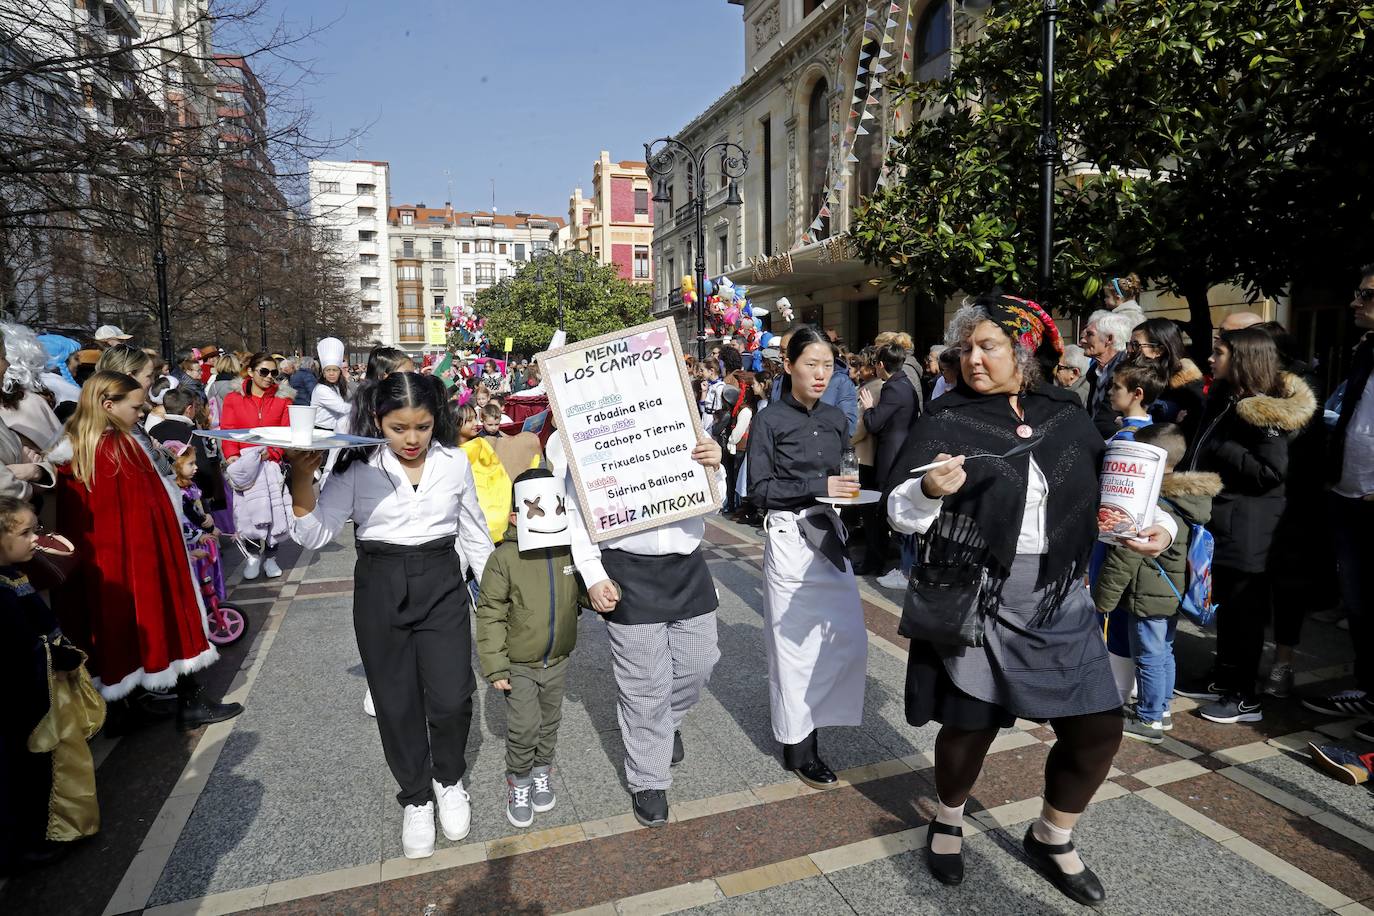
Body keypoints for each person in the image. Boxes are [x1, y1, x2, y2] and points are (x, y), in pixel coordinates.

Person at [886, 294, 1174, 905]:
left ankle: (1051, 835)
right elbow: (899, 512)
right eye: (966, 348)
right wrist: (929, 492)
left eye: (988, 346)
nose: (973, 359)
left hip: (1058, 596)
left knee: (1098, 726)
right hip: (977, 593)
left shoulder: (1064, 414)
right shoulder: (946, 419)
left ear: (1023, 352)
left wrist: (1157, 526)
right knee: (970, 727)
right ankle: (948, 817)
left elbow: (1114, 483)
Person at [286, 373, 493, 859]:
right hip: (380, 584)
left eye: (422, 426)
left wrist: (497, 600)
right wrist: (300, 476)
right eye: (399, 427)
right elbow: (314, 536)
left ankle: (448, 779)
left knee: (452, 695)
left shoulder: (453, 462)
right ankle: (416, 796)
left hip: (442, 580)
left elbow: (476, 534)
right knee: (395, 700)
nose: (412, 438)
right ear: (377, 421)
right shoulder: (356, 465)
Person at [551, 423, 724, 829]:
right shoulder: (582, 431)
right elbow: (574, 509)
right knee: (644, 683)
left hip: (686, 564)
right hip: (627, 567)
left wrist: (715, 469)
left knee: (700, 662)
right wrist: (592, 574)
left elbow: (713, 503)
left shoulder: (679, 412)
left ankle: (666, 725)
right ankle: (648, 778)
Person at [50, 372, 241, 730]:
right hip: (140, 558)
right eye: (136, 407)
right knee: (160, 616)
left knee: (115, 627)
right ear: (109, 405)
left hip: (107, 563)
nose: (142, 414)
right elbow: (142, 514)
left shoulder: (82, 447)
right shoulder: (115, 449)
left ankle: (124, 707)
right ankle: (188, 701)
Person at [1176, 327, 1315, 724]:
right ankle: (1224, 677)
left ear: (1243, 360)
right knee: (1229, 609)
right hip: (1224, 520)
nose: (1210, 358)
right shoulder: (1224, 397)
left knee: (1244, 611)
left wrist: (1224, 447)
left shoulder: (1259, 408)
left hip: (1250, 526)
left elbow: (1271, 471)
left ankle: (1244, 697)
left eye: (1218, 352)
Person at [747, 326, 867, 789]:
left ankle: (819, 716)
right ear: (790, 365)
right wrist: (817, 488)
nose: (820, 374)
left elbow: (846, 477)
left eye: (828, 366)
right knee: (792, 649)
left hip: (829, 536)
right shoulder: (769, 420)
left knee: (846, 640)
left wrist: (850, 497)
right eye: (811, 364)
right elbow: (759, 490)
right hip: (789, 537)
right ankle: (800, 747)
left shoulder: (838, 419)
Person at [1093, 424, 1219, 744]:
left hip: (1147, 594)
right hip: (1171, 592)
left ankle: (1149, 720)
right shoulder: (1189, 499)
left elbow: (1128, 556)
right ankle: (1161, 709)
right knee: (1164, 652)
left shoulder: (1153, 501)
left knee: (1148, 655)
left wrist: (1103, 598)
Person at [475, 468, 586, 828]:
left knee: (549, 722)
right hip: (520, 663)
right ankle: (518, 780)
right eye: (536, 510)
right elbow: (490, 612)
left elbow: (582, 590)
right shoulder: (504, 559)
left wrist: (603, 589)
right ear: (515, 516)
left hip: (558, 659)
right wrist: (495, 665)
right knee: (524, 727)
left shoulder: (569, 549)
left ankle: (542, 771)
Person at [0, 496, 101, 872]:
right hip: (21, 704)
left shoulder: (14, 575)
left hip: (39, 694)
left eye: (35, 530)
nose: (34, 540)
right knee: (25, 772)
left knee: (46, 762)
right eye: (25, 533)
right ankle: (29, 842)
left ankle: (48, 828)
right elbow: (19, 645)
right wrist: (54, 656)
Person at [1302, 267, 1374, 730]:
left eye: (1365, 294)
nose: (1354, 303)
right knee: (1359, 603)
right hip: (1348, 495)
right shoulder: (1366, 351)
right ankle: (1367, 689)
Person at [219, 352, 290, 580]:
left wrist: (274, 454)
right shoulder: (233, 398)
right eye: (264, 371)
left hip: (270, 462)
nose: (270, 377)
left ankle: (271, 557)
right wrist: (231, 456)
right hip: (243, 463)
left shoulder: (283, 399)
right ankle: (252, 556)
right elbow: (227, 429)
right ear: (250, 371)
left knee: (274, 511)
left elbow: (286, 433)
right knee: (246, 512)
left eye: (274, 372)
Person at [149, 387, 227, 518]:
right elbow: (204, 467)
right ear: (189, 409)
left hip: (165, 493)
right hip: (192, 495)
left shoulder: (153, 431)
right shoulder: (193, 433)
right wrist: (210, 495)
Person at [1129, 318, 1205, 441]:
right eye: (1129, 344)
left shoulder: (1189, 388)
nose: (1129, 351)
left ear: (1159, 350)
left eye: (1136, 345)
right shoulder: (1130, 377)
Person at [0, 323, 64, 452]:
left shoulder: (30, 402)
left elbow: (58, 457)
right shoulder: (31, 402)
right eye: (2, 357)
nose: (6, 364)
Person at [1079, 309, 1133, 437]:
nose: (1082, 341)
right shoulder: (1096, 372)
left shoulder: (1126, 373)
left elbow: (1106, 421)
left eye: (1089, 335)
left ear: (1109, 339)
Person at [1105, 360, 1166, 442]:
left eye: (1117, 387)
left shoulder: (1127, 438)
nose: (1110, 392)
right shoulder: (1148, 425)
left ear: (1137, 394)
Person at [310, 338, 351, 433]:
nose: (331, 373)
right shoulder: (321, 389)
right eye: (328, 370)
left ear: (340, 372)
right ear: (323, 373)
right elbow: (342, 407)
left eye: (335, 370)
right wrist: (363, 408)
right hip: (322, 431)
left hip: (337, 430)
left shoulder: (338, 386)